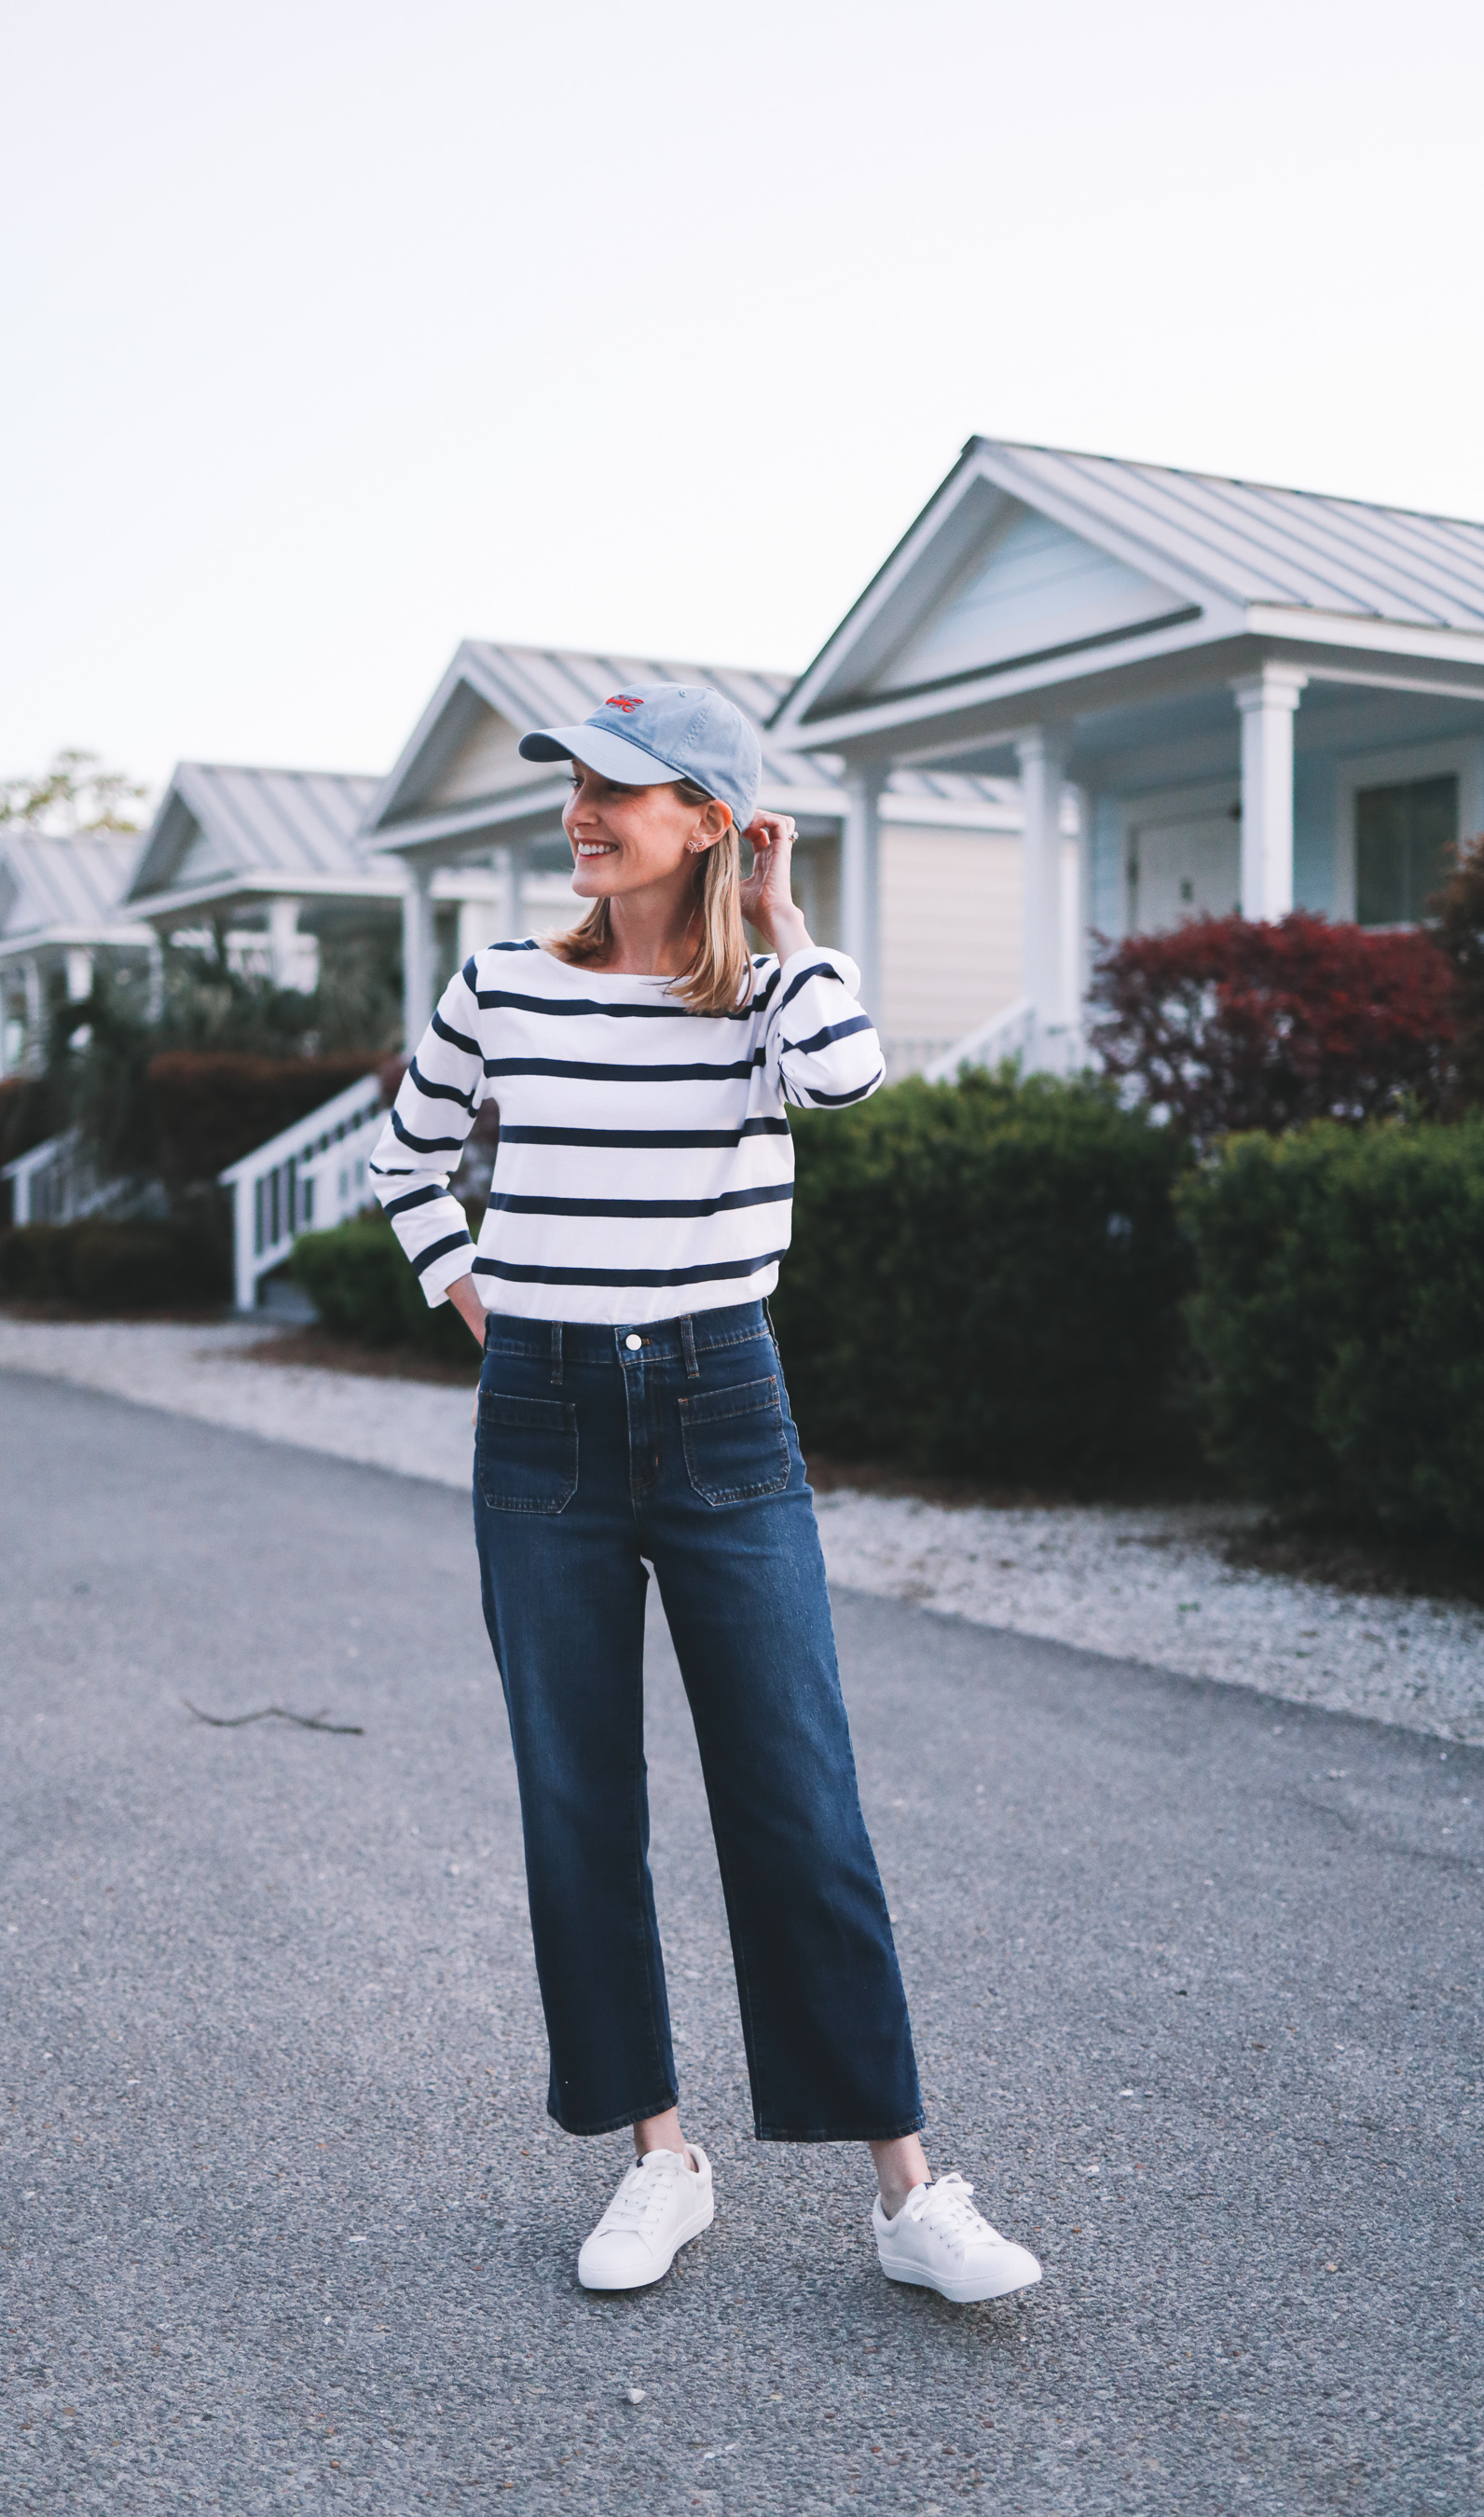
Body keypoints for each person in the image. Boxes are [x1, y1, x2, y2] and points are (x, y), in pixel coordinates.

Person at [368, 683, 1040, 2304]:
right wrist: (483, 1307)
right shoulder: (500, 987)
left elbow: (853, 1077)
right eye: (576, 788)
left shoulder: (769, 999)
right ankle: (661, 2160)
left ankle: (907, 2193)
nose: (582, 814)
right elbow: (405, 1160)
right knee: (579, 1801)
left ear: (711, 823)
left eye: (621, 791)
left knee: (800, 1800)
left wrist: (783, 915)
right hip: (543, 1421)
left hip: (726, 1403)